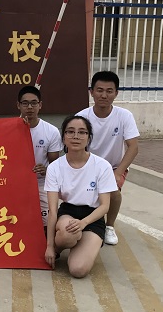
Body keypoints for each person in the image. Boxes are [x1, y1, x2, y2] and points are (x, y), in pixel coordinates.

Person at [44, 115, 118, 278]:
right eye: (70, 132)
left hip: (93, 218)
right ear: (63, 137)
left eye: (82, 132)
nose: (76, 136)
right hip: (68, 213)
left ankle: (82, 243)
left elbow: (104, 206)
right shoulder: (55, 167)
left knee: (78, 270)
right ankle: (59, 247)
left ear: (89, 137)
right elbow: (52, 211)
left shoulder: (102, 166)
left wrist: (83, 222)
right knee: (68, 233)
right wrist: (49, 246)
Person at [77, 71, 139, 246]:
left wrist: (118, 173)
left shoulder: (124, 116)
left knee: (113, 192)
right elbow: (76, 146)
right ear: (91, 92)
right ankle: (86, 222)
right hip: (88, 165)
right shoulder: (82, 117)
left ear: (116, 93)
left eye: (109, 91)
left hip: (113, 166)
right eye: (99, 90)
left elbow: (133, 147)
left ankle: (109, 226)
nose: (104, 95)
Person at [17, 86, 62, 228]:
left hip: (41, 183)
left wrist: (45, 170)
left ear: (40, 105)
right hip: (16, 183)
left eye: (34, 103)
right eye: (25, 103)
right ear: (18, 105)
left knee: (47, 221)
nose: (30, 107)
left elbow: (55, 165)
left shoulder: (51, 131)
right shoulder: (9, 130)